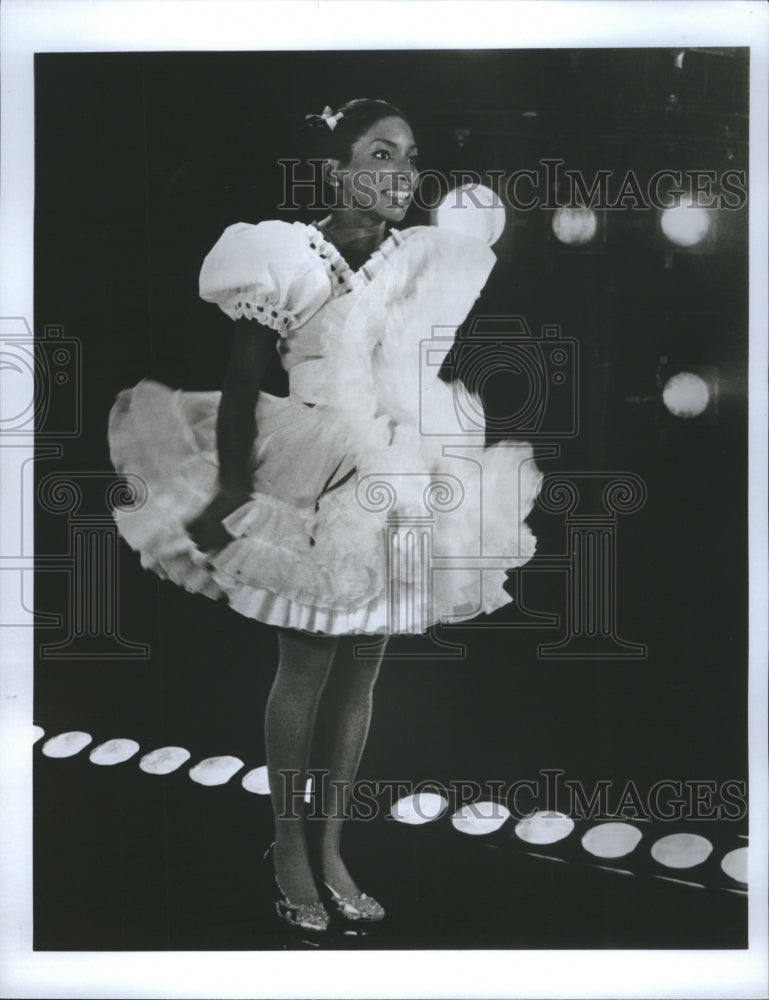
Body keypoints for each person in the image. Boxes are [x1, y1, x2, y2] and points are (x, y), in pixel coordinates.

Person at [108, 98, 542, 935]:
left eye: (410, 157)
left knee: (365, 667)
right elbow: (240, 388)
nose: (400, 174)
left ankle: (331, 843)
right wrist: (232, 489)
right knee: (306, 666)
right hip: (313, 461)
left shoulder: (418, 258)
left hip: (397, 467)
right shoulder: (283, 255)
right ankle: (285, 847)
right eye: (379, 154)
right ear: (335, 168)